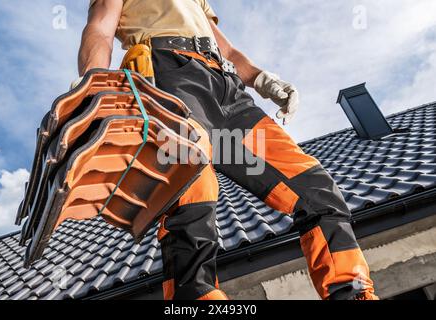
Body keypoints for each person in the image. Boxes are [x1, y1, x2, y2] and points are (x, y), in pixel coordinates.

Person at [76, 0, 378, 300]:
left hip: (224, 88)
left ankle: (352, 293)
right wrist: (92, 90)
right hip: (166, 75)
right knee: (192, 189)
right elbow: (101, 30)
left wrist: (261, 79)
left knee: (313, 186)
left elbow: (228, 51)